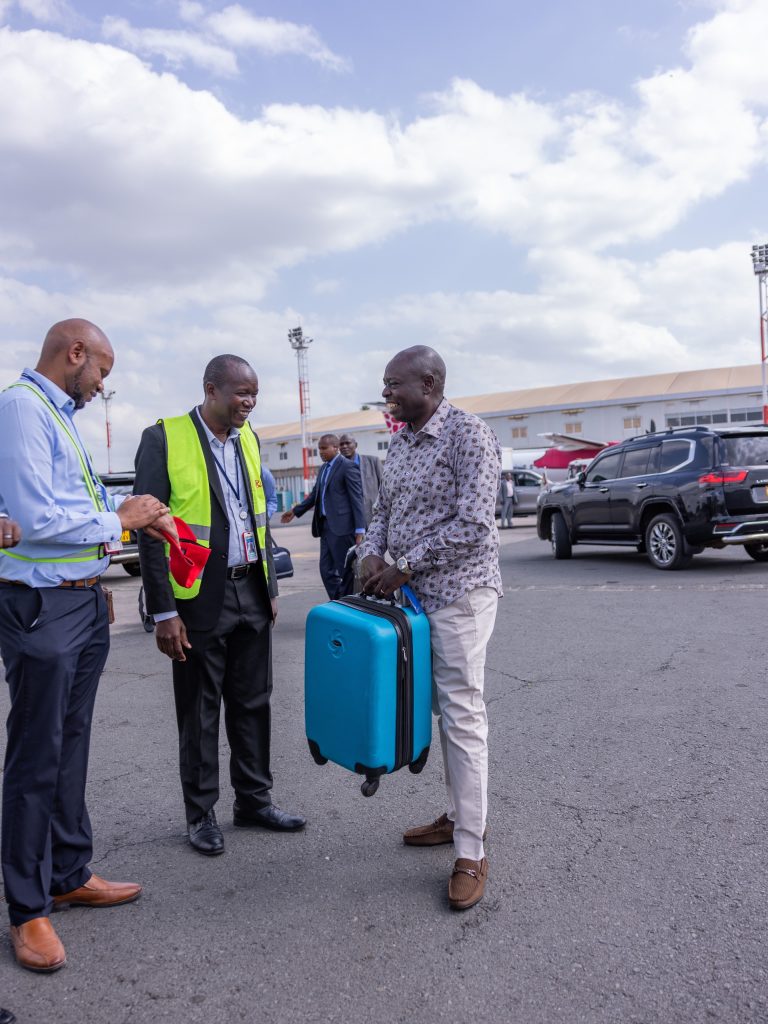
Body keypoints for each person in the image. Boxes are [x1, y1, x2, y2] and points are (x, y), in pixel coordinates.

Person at [0, 319, 175, 973]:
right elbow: (32, 519)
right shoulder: (22, 408)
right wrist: (118, 521)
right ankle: (27, 909)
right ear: (74, 353)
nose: (103, 386)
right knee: (34, 757)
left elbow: (69, 500)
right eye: (102, 371)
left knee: (70, 747)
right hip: (41, 606)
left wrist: (125, 509)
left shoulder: (54, 413)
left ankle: (68, 871)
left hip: (75, 599)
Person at [135, 354, 306, 857]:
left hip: (250, 589)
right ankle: (201, 812)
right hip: (196, 599)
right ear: (211, 389)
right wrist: (164, 612)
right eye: (240, 393)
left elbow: (258, 518)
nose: (248, 402)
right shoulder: (164, 437)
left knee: (254, 703)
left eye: (254, 393)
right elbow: (149, 531)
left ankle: (254, 800)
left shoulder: (248, 438)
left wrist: (270, 587)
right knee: (200, 710)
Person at [359, 345, 502, 911]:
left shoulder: (468, 435)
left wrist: (406, 564)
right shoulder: (400, 442)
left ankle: (471, 849)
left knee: (462, 713)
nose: (387, 393)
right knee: (437, 715)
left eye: (394, 384)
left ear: (431, 381)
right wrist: (372, 553)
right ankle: (457, 815)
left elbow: (475, 524)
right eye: (385, 385)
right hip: (410, 604)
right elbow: (382, 513)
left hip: (459, 596)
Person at [281, 434, 365, 599]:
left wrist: (360, 530)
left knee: (345, 571)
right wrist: (295, 511)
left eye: (324, 448)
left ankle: (349, 606)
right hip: (325, 527)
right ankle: (339, 601)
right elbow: (315, 496)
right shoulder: (324, 469)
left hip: (343, 528)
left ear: (336, 448)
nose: (320, 452)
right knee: (326, 570)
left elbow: (357, 499)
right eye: (319, 448)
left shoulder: (347, 466)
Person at [338, 433, 383, 527]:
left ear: (356, 445)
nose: (344, 446)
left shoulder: (373, 462)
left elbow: (385, 488)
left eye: (348, 443)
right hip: (350, 521)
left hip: (374, 517)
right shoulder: (337, 468)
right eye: (341, 444)